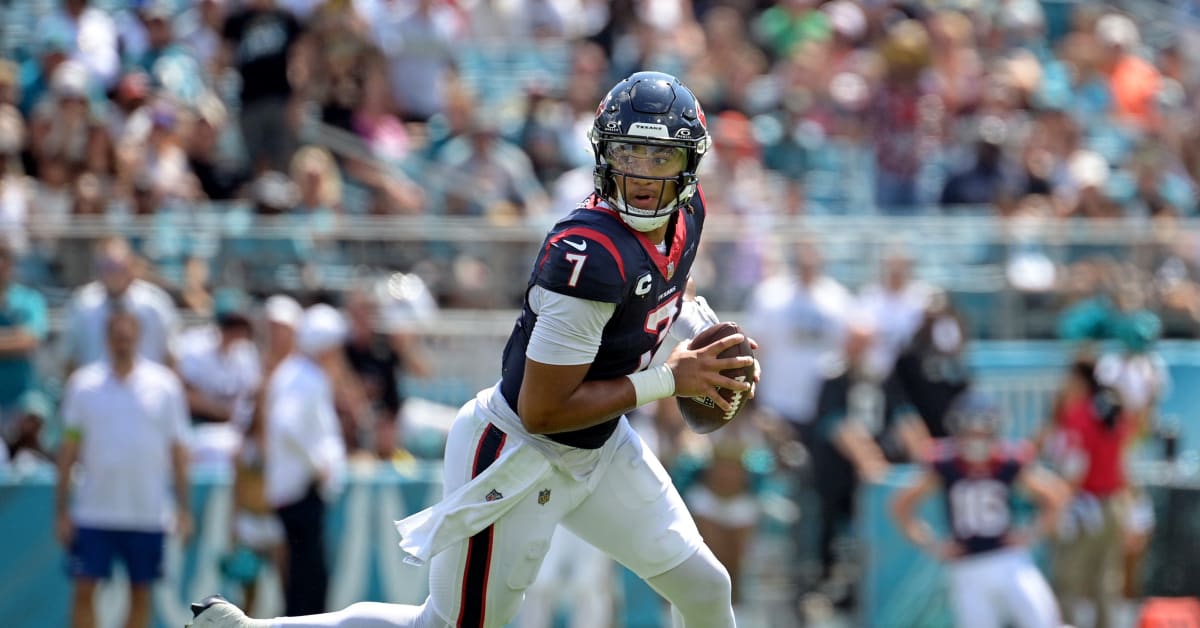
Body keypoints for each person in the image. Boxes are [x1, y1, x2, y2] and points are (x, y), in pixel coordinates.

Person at [190, 71, 758, 628]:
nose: (643, 174)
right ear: (605, 154)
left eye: (661, 159)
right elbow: (544, 409)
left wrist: (702, 338)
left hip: (599, 444)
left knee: (706, 587)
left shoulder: (687, 215)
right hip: (520, 450)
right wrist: (672, 379)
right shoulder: (588, 257)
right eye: (629, 154)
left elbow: (654, 295)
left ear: (689, 165)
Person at [56, 309, 192, 628]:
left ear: (138, 338)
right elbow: (68, 449)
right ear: (107, 339)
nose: (122, 343)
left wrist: (184, 508)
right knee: (84, 590)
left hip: (147, 511)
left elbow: (179, 450)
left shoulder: (165, 386)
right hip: (94, 510)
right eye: (117, 337)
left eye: (127, 337)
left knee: (141, 593)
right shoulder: (83, 385)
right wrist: (61, 510)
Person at [891, 391, 1066, 628]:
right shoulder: (946, 465)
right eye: (970, 432)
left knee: (1043, 620)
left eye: (983, 432)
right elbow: (900, 505)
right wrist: (932, 545)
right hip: (967, 565)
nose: (976, 439)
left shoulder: (1007, 462)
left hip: (1009, 559)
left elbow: (1055, 496)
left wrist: (1030, 534)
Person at [263, 303, 350, 616]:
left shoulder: (296, 373)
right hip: (302, 493)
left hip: (297, 493)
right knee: (308, 584)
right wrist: (319, 466)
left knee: (303, 581)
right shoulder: (305, 378)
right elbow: (287, 426)